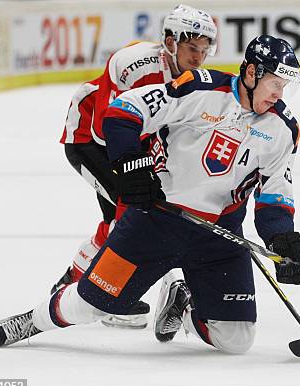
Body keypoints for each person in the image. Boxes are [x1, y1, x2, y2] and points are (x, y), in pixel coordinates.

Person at [0, 35, 300, 354]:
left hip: (219, 235)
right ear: (251, 73)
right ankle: (33, 321)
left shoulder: (282, 129)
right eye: (275, 83)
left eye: (285, 86)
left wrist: (285, 243)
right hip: (157, 221)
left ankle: (182, 302)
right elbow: (125, 110)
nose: (279, 94)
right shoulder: (200, 89)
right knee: (92, 305)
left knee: (236, 339)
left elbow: (274, 194)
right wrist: (132, 164)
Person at [54, 4, 217, 329]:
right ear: (170, 41)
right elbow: (107, 130)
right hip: (89, 138)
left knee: (138, 215)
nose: (198, 57)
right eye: (191, 47)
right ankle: (74, 287)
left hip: (137, 146)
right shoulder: (134, 65)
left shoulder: (194, 79)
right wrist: (140, 169)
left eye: (203, 50)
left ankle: (88, 286)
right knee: (129, 213)